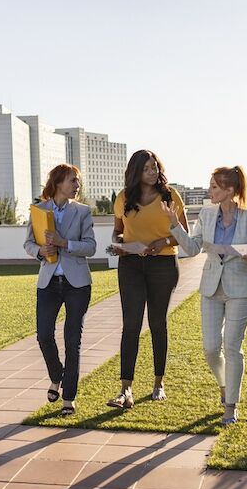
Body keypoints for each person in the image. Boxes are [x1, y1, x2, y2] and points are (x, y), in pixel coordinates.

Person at [165, 166, 247, 425]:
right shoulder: (206, 215)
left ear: (230, 190)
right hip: (210, 288)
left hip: (239, 290)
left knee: (232, 348)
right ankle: (224, 385)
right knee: (210, 348)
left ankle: (230, 405)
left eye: (214, 187)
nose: (209, 192)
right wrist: (175, 225)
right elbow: (193, 248)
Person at [107, 150, 188, 409]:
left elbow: (184, 235)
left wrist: (161, 242)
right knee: (131, 325)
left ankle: (158, 383)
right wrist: (118, 245)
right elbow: (118, 232)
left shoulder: (170, 196)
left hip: (163, 264)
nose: (152, 172)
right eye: (146, 169)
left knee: (157, 323)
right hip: (130, 264)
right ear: (135, 172)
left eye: (155, 167)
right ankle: (125, 389)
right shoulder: (123, 198)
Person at [24, 164, 97, 416]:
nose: (77, 185)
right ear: (57, 183)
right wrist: (40, 251)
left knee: (72, 340)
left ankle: (69, 396)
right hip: (48, 283)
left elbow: (90, 247)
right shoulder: (38, 210)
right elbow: (28, 243)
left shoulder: (83, 212)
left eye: (78, 181)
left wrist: (64, 243)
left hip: (77, 283)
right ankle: (57, 375)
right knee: (43, 335)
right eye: (72, 180)